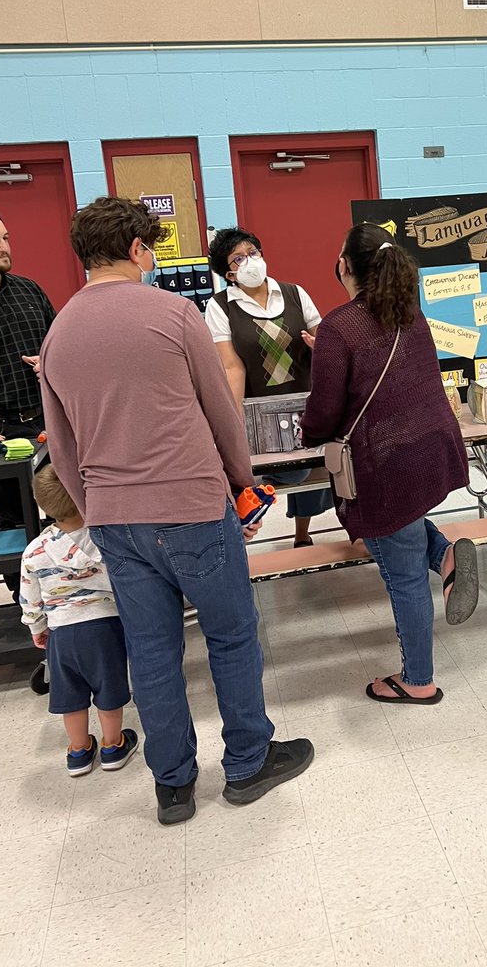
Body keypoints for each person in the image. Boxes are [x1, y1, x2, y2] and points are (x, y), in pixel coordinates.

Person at [40, 196, 313, 825]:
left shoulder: (57, 333)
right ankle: (247, 762)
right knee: (230, 634)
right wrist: (241, 481)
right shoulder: (172, 314)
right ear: (138, 249)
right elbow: (220, 409)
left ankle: (172, 783)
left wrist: (96, 510)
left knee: (152, 650)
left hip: (113, 517)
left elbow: (64, 443)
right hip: (190, 504)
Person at [300, 223, 478, 706]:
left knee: (401, 574)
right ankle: (445, 556)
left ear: (347, 267)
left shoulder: (339, 326)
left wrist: (307, 432)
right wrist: (331, 357)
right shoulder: (410, 313)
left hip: (386, 466)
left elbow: (325, 413)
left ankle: (418, 680)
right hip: (429, 450)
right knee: (408, 532)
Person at [206, 227, 332, 548]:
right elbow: (232, 368)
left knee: (318, 464)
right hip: (259, 413)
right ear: (228, 273)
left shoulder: (294, 294)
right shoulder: (220, 307)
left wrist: (324, 348)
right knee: (294, 473)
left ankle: (303, 533)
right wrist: (233, 428)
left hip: (307, 404)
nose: (250, 262)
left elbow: (326, 341)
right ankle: (272, 511)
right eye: (238, 258)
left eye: (253, 253)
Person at [19, 464, 139, 777]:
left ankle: (78, 751)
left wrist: (37, 628)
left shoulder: (34, 552)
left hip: (61, 632)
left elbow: (29, 598)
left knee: (70, 694)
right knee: (108, 687)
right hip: (105, 627)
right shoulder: (106, 539)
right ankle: (112, 745)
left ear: (42, 504)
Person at [0, 204, 55, 595]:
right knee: (14, 520)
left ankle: (77, 593)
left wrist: (51, 364)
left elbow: (60, 344)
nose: (4, 247)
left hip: (45, 420)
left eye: (5, 238)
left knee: (68, 509)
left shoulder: (29, 289)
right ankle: (26, 603)